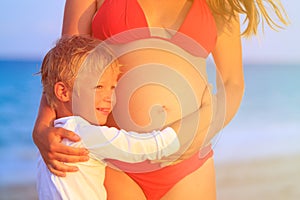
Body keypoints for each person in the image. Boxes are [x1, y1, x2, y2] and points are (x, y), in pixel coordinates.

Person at [33, 0, 289, 199]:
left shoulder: (218, 3)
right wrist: (42, 126)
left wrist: (199, 132)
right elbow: (64, 65)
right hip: (115, 158)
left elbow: (233, 83)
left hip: (188, 163)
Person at [37, 35, 182, 200]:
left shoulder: (50, 143)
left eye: (112, 87)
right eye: (99, 86)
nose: (109, 97)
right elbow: (144, 147)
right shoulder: (83, 134)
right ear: (63, 92)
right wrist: (187, 128)